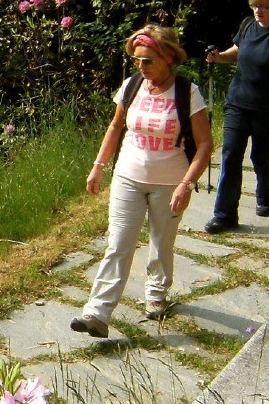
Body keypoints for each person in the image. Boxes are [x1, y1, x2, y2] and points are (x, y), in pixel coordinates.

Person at [72, 25, 213, 337]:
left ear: (167, 58)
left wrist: (186, 184)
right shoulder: (132, 85)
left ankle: (156, 294)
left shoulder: (187, 93)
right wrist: (98, 166)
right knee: (118, 244)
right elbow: (115, 126)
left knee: (161, 243)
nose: (140, 66)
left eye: (147, 60)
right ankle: (97, 312)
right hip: (127, 176)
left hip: (170, 182)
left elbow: (205, 145)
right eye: (136, 60)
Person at [204, 0, 269, 234]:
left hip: (266, 108)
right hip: (237, 103)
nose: (258, 11)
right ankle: (224, 215)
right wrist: (218, 57)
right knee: (230, 155)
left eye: (264, 6)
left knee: (261, 158)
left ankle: (265, 196)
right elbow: (237, 52)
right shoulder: (248, 25)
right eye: (254, 5)